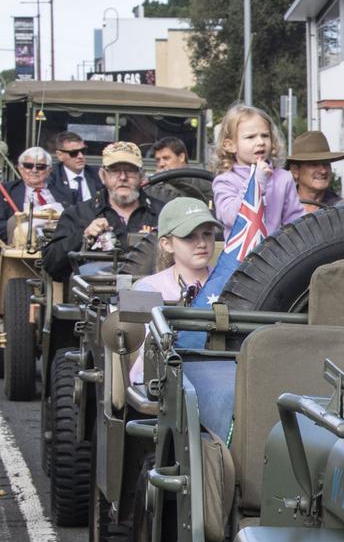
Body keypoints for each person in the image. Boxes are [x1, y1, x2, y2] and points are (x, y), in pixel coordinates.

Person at [129, 197, 221, 383]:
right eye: (189, 236)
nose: (201, 243)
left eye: (207, 234)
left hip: (219, 375)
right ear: (166, 244)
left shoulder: (228, 283)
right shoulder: (145, 288)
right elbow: (144, 348)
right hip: (160, 381)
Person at [43, 142, 165, 280]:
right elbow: (51, 265)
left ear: (141, 175)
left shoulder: (164, 214)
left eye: (130, 170)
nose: (123, 177)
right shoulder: (79, 213)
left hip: (150, 296)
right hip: (95, 298)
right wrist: (84, 237)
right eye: (115, 170)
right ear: (102, 175)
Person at [211, 104, 305, 236]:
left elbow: (295, 220)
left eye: (265, 136)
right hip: (241, 255)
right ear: (230, 145)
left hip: (276, 254)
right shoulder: (225, 181)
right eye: (250, 137)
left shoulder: (283, 178)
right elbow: (231, 218)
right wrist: (256, 182)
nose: (260, 141)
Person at [286, 130, 344, 213]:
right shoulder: (281, 207)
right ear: (295, 171)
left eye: (326, 163)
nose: (323, 171)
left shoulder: (341, 210)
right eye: (314, 164)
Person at [1, 147, 65, 228]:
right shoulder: (6, 191)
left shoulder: (65, 192)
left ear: (49, 170)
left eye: (40, 167)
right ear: (20, 169)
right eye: (28, 166)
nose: (34, 170)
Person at [146, 136, 214, 203]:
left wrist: (169, 176)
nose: (161, 164)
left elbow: (195, 182)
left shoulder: (200, 177)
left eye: (166, 158)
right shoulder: (154, 186)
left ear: (181, 157)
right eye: (158, 160)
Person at [49, 132, 103, 205]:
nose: (80, 156)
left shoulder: (98, 174)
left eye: (83, 151)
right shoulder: (52, 176)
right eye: (74, 153)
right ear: (60, 155)